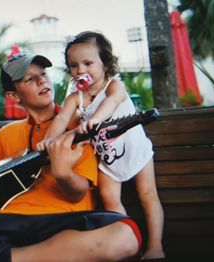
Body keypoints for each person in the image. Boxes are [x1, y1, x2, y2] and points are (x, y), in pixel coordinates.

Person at [0, 53, 142, 262]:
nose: (42, 81)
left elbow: (77, 195)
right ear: (13, 96)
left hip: (64, 221)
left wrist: (62, 172)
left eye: (44, 74)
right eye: (30, 79)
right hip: (6, 220)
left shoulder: (79, 125)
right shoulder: (9, 133)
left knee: (125, 236)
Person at [36, 31, 165, 259]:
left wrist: (95, 119)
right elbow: (62, 119)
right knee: (109, 199)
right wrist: (50, 139)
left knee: (148, 195)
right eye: (74, 66)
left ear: (105, 64)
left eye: (88, 63)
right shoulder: (76, 98)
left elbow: (112, 102)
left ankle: (155, 247)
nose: (81, 70)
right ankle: (125, 244)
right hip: (107, 159)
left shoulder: (115, 86)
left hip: (136, 151)